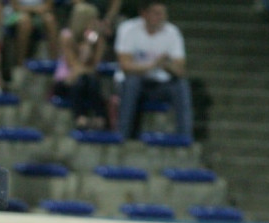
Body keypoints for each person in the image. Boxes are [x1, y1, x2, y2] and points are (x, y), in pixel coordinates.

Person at [113, 0, 192, 140]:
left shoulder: (172, 32)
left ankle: (185, 138)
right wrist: (153, 64)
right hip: (133, 83)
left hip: (159, 85)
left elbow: (180, 70)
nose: (161, 17)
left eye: (163, 14)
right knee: (132, 82)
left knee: (181, 85)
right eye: (156, 13)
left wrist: (165, 65)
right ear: (144, 14)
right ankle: (122, 136)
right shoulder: (128, 29)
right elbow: (125, 66)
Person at [53, 2, 108, 129]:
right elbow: (73, 66)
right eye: (93, 19)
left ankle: (100, 118)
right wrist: (84, 54)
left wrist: (93, 45)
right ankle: (80, 117)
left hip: (86, 79)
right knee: (80, 82)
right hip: (66, 80)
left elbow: (95, 66)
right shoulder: (66, 36)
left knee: (90, 81)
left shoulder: (96, 39)